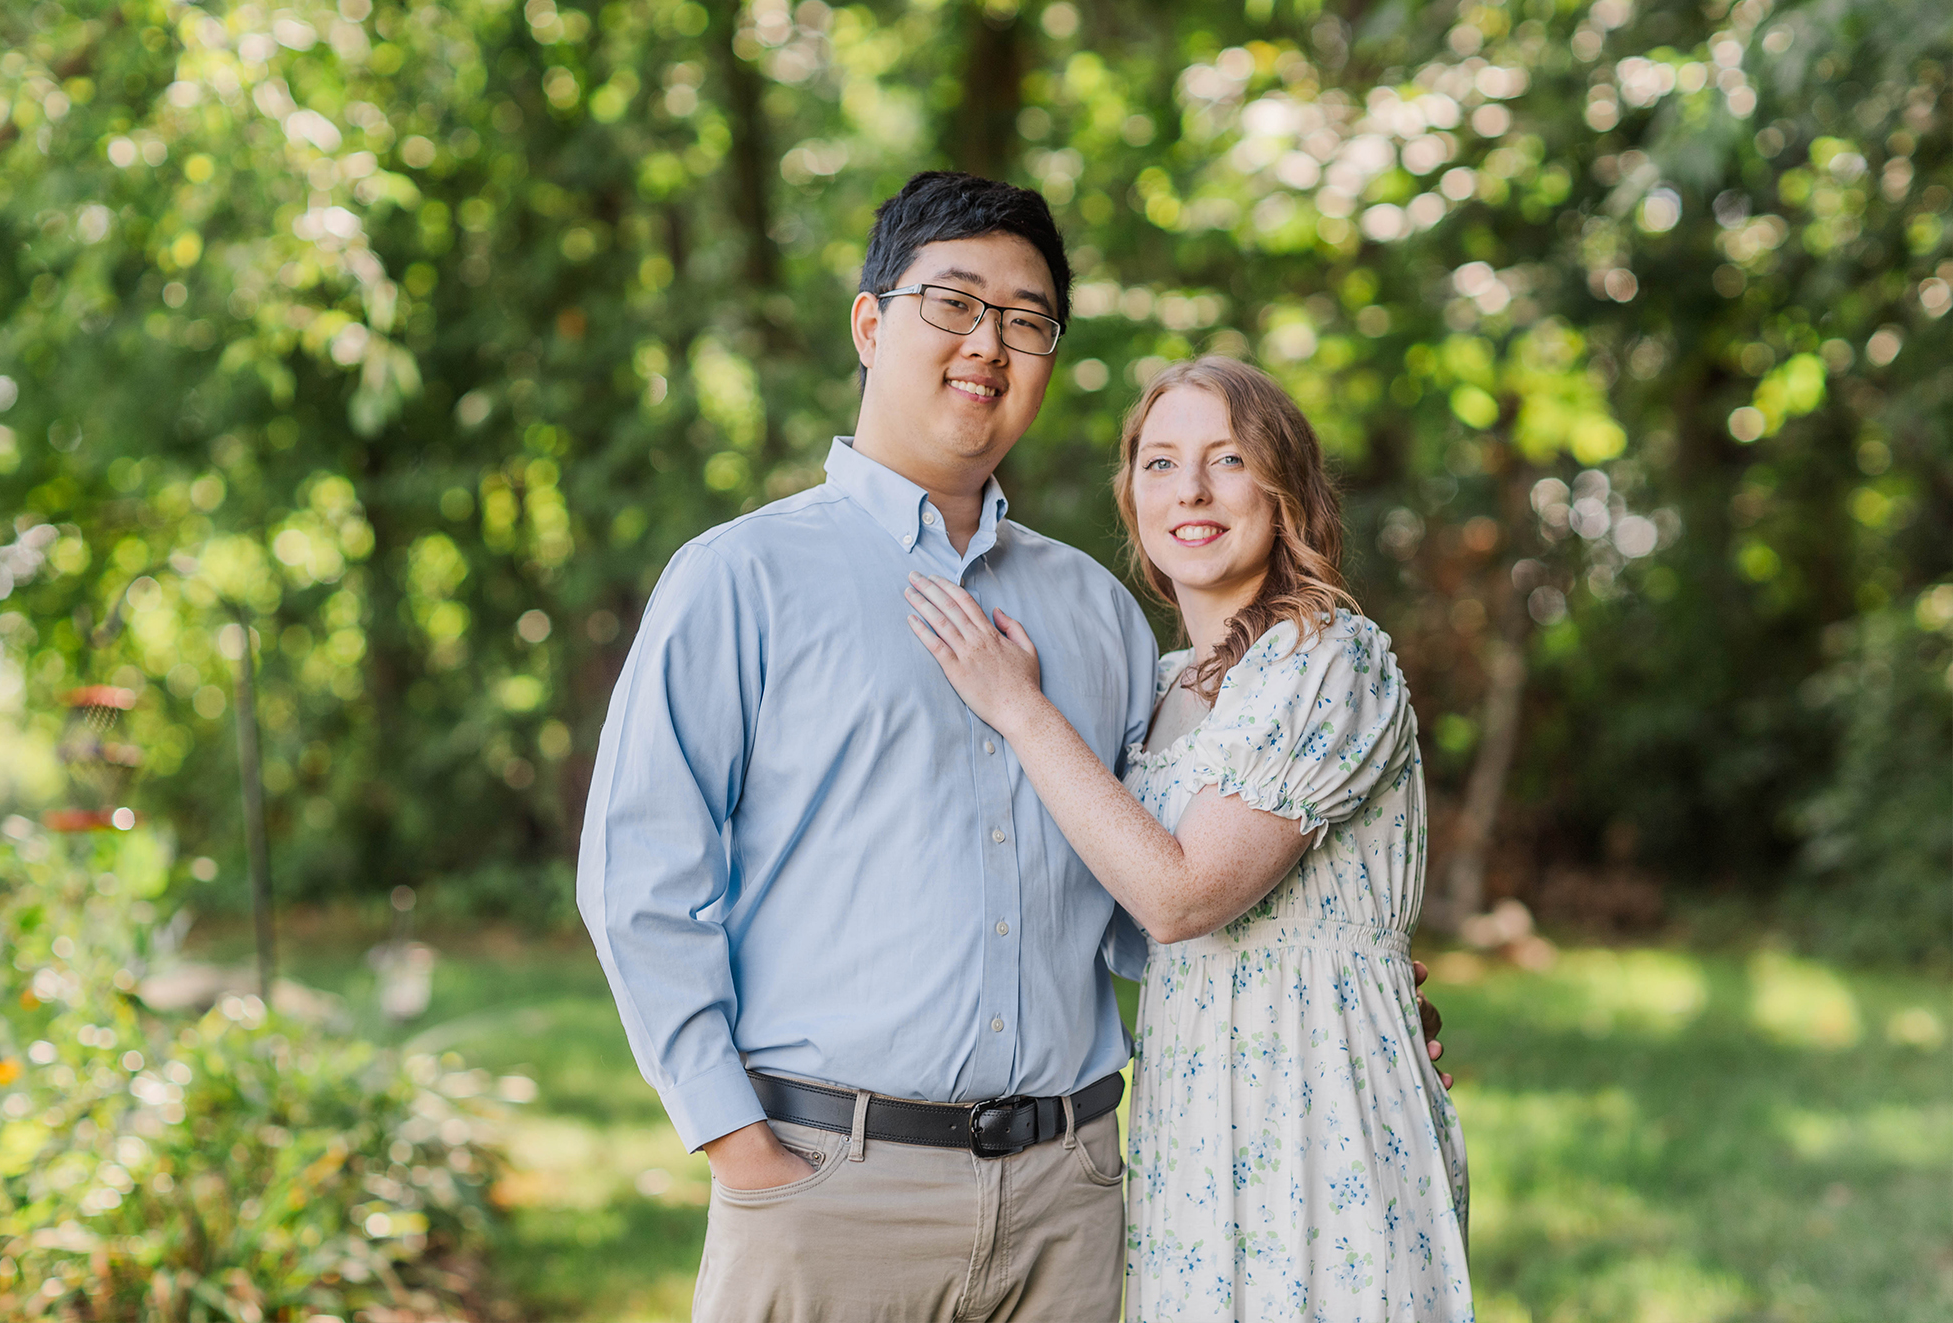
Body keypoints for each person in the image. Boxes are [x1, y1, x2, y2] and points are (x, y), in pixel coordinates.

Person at [578, 172, 1446, 1321]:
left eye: (1025, 320)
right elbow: (639, 877)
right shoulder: (740, 579)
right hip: (832, 1189)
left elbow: (1150, 884)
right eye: (952, 303)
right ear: (869, 322)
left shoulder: (1092, 610)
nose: (987, 343)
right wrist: (738, 1145)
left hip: (1071, 1204)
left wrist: (1344, 992)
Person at [905, 356, 1474, 1321]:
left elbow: (1179, 896)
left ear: (1283, 487)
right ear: (1132, 497)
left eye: (1228, 460)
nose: (1193, 491)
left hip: (1320, 1114)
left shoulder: (1328, 656)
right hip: (1196, 1119)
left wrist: (1018, 706)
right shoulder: (1166, 688)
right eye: (1161, 464)